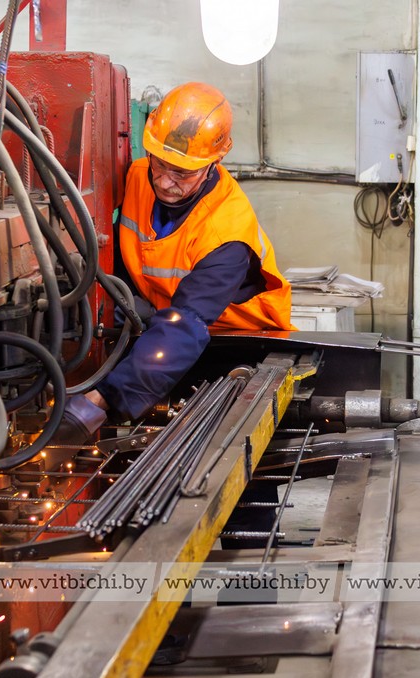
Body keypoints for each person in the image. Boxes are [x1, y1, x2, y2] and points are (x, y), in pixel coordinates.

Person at [57, 82, 295, 443]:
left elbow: (186, 325)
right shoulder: (139, 176)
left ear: (213, 163)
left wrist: (100, 400)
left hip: (238, 340)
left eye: (182, 173)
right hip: (167, 316)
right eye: (161, 164)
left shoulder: (226, 234)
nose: (166, 182)